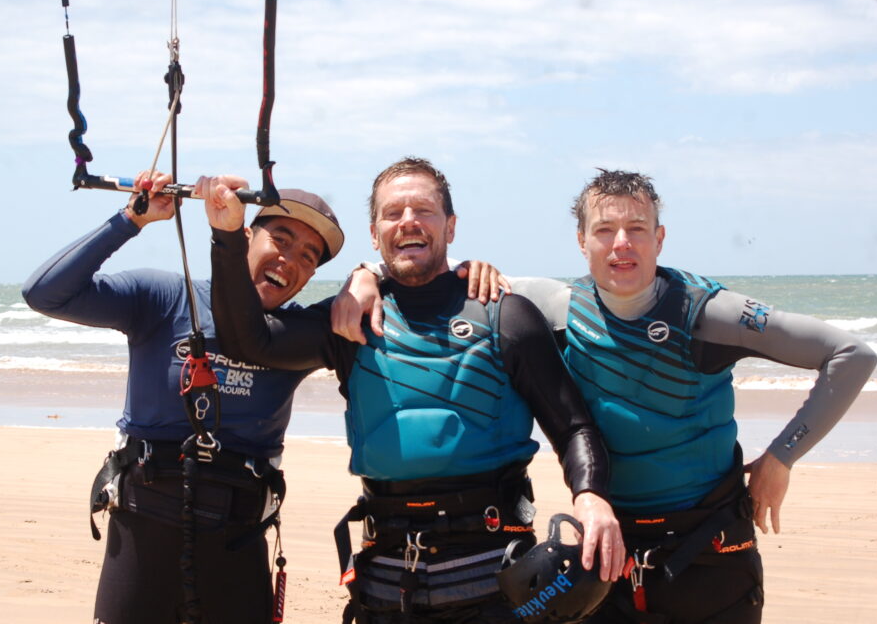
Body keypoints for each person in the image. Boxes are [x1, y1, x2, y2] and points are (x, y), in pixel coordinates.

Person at [338, 168, 877, 624]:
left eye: (636, 228)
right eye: (605, 229)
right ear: (582, 241)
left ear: (659, 238)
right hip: (604, 552)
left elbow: (851, 354)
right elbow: (428, 275)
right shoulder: (553, 304)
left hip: (708, 550)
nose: (621, 243)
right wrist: (363, 275)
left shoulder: (707, 313)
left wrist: (782, 457)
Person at [203, 158, 625, 624]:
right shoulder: (350, 320)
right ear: (374, 232)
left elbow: (573, 427)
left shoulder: (506, 315)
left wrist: (591, 496)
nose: (408, 221)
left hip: (494, 584)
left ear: (450, 225)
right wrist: (226, 236)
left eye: (423, 210)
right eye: (392, 213)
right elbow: (247, 340)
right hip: (383, 586)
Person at [22, 171, 345, 624]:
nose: (289, 259)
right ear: (246, 234)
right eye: (281, 238)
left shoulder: (301, 334)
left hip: (237, 538)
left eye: (308, 256)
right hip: (143, 527)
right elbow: (44, 293)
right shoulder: (165, 297)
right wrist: (131, 219)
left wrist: (368, 277)